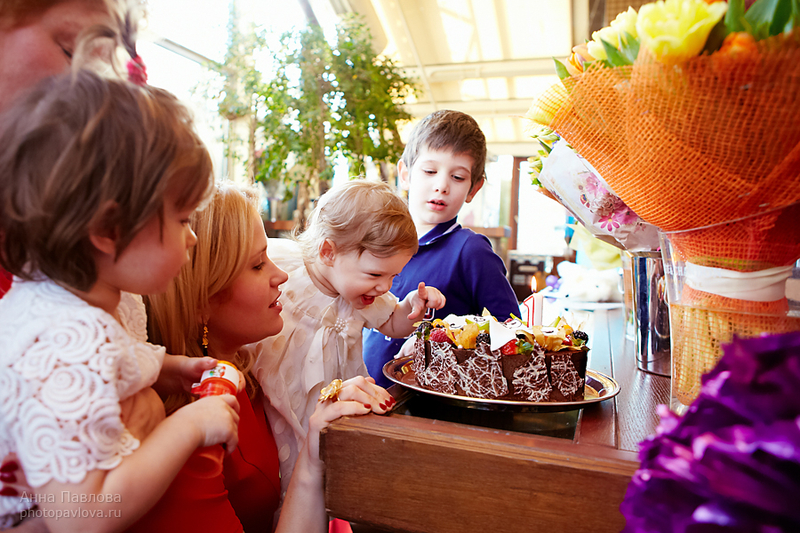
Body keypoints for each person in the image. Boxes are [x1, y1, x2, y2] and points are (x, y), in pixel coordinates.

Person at [0, 70, 240, 531]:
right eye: (182, 220)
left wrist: (170, 368)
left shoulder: (76, 297)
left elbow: (114, 355)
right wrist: (190, 425)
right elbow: (82, 518)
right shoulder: (64, 339)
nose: (192, 238)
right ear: (109, 231)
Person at [141, 183, 394, 532]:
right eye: (258, 264)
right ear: (200, 301)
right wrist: (312, 455)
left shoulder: (251, 370)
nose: (282, 275)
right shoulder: (183, 439)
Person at [248, 179, 446, 499]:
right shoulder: (283, 267)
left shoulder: (361, 294)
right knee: (276, 469)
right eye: (375, 274)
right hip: (274, 395)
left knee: (326, 469)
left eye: (393, 276)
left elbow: (391, 321)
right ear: (328, 252)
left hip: (328, 404)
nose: (385, 287)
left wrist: (412, 306)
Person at [362, 110, 520, 388]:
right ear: (405, 174)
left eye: (457, 177)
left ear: (474, 189)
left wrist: (439, 339)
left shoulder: (471, 251)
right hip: (366, 394)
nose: (442, 186)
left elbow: (511, 330)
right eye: (430, 171)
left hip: (428, 405)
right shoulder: (374, 241)